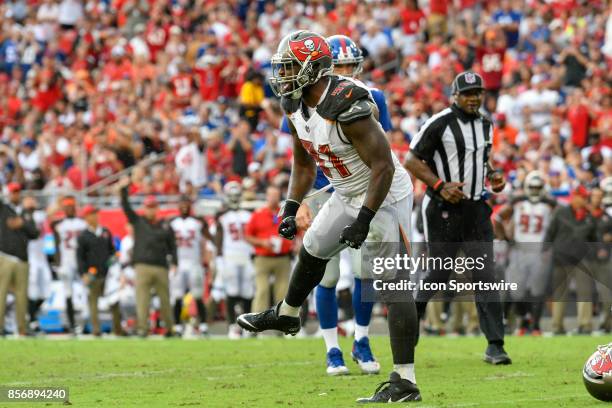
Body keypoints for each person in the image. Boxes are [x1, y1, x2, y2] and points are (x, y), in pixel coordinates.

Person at [238, 31, 421, 403]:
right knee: (314, 245)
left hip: (383, 193)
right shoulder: (293, 103)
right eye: (282, 67)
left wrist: (364, 218)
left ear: (312, 68)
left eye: (290, 67)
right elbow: (303, 161)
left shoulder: (346, 101)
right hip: (346, 189)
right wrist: (291, 206)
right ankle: (288, 313)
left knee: (392, 284)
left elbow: (383, 167)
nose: (283, 75)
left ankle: (405, 380)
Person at [286, 34, 391, 376]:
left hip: (359, 192)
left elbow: (381, 156)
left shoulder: (370, 98)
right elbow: (300, 160)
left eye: (350, 65)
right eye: (340, 65)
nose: (347, 71)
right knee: (326, 276)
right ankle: (332, 348)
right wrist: (297, 202)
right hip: (322, 193)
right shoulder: (300, 100)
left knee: (364, 271)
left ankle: (361, 339)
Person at [405, 71, 511, 365]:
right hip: (443, 207)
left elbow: (482, 158)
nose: (474, 98)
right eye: (467, 93)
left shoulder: (485, 123)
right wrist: (439, 185)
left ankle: (495, 345)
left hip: (476, 207)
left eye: (478, 92)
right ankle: (408, 331)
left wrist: (493, 176)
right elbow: (411, 159)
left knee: (486, 276)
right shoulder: (439, 123)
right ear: (455, 95)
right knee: (438, 273)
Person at [493, 171, 556, 335]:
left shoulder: (551, 204)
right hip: (519, 249)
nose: (535, 191)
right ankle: (525, 319)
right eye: (532, 187)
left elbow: (559, 227)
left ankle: (534, 325)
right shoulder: (517, 202)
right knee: (516, 290)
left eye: (538, 187)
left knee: (537, 291)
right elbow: (496, 218)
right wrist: (506, 238)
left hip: (540, 251)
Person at [118, 176, 177, 338]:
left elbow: (172, 246)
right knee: (142, 299)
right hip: (142, 265)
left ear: (157, 209)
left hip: (161, 265)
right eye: (148, 207)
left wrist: (175, 263)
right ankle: (143, 329)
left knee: (165, 300)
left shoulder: (165, 225)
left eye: (153, 207)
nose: (151, 210)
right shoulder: (139, 221)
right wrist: (124, 191)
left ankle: (170, 328)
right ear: (144, 208)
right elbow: (126, 207)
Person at [545, 185, 598, 335]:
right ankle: (557, 326)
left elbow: (594, 238)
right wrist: (545, 250)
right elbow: (550, 233)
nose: (585, 199)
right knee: (560, 294)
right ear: (574, 196)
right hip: (561, 258)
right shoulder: (561, 212)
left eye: (585, 197)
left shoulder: (588, 216)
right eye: (582, 197)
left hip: (582, 259)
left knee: (585, 293)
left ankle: (585, 325)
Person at [244, 185, 292, 314]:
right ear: (267, 196)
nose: (274, 198)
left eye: (276, 195)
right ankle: (257, 323)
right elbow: (247, 236)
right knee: (262, 290)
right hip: (262, 257)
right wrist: (261, 242)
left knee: (282, 292)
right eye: (271, 195)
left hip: (283, 257)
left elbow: (297, 233)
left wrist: (293, 243)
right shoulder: (258, 214)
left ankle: (282, 324)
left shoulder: (285, 213)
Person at [215, 181, 254, 339]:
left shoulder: (249, 215)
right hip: (229, 256)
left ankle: (246, 326)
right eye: (232, 196)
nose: (235, 198)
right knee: (231, 292)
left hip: (246, 255)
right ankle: (232, 326)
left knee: (247, 292)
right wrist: (219, 259)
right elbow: (218, 239)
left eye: (237, 195)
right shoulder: (222, 217)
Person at [169, 195, 211, 336]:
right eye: (181, 203)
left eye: (186, 203)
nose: (184, 206)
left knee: (198, 295)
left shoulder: (198, 222)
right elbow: (167, 245)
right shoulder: (172, 223)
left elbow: (205, 241)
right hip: (178, 264)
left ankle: (203, 324)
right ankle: (177, 326)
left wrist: (205, 260)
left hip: (194, 263)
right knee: (177, 296)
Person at [76, 205, 121, 336]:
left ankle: (117, 329)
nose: (95, 216)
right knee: (93, 303)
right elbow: (80, 257)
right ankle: (96, 330)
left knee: (114, 301)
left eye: (96, 213)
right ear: (86, 218)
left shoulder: (105, 231)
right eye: (91, 214)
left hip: (108, 274)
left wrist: (113, 261)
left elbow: (113, 251)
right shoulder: (83, 236)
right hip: (93, 274)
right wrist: (83, 274)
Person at [0, 183, 39, 336]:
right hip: (5, 256)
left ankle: (22, 328)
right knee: (1, 293)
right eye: (13, 192)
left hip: (23, 258)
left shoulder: (25, 213)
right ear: (9, 194)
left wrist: (22, 223)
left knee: (22, 295)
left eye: (17, 192)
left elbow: (35, 233)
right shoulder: (3, 209)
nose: (15, 195)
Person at [51, 195, 87, 334]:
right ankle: (72, 324)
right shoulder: (58, 224)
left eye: (71, 206)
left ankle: (84, 322)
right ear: (63, 208)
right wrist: (58, 263)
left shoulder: (82, 223)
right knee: (68, 293)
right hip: (66, 262)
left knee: (85, 292)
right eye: (67, 206)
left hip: (80, 261)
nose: (69, 209)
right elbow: (56, 245)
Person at [23, 195, 52, 333]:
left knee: (46, 292)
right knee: (32, 290)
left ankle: (31, 315)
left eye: (32, 200)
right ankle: (32, 319)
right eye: (28, 200)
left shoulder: (40, 214)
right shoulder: (22, 215)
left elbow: (51, 211)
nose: (31, 201)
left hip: (42, 257)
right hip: (30, 257)